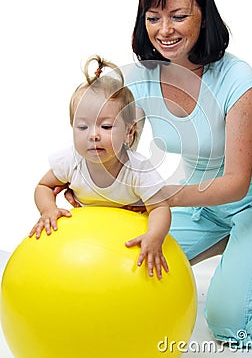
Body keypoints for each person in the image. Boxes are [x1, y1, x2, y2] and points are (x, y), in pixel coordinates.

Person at [123, 0, 252, 345]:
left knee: (227, 322)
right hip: (199, 203)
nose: (164, 30)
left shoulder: (238, 79)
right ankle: (240, 244)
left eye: (179, 16)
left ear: (204, 16)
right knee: (128, 267)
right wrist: (85, 183)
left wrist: (159, 196)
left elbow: (236, 183)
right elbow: (118, 155)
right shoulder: (138, 78)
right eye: (153, 18)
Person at [29, 55, 171, 280]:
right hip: (87, 243)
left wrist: (154, 236)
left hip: (125, 243)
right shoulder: (71, 160)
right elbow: (44, 186)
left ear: (129, 132)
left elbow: (160, 208)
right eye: (82, 126)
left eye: (106, 126)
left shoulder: (138, 169)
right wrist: (48, 209)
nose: (93, 135)